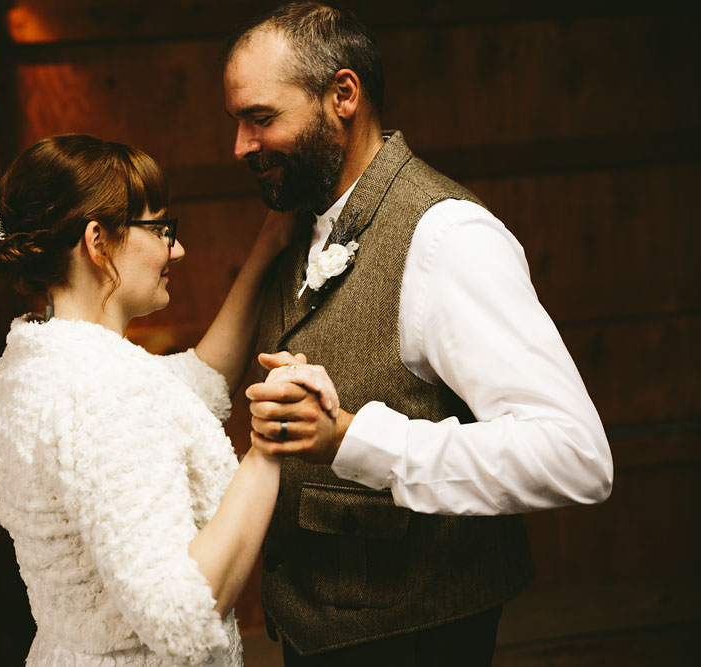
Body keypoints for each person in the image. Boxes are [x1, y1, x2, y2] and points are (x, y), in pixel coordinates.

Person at [222, 3, 614, 665]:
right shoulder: (300, 217)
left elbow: (574, 454)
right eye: (236, 121)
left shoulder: (445, 237)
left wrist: (354, 439)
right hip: (314, 633)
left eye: (261, 118)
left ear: (343, 95)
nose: (239, 146)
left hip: (417, 641)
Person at [0, 133, 330, 666]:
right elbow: (185, 610)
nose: (176, 248)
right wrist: (271, 443)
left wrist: (270, 244)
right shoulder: (100, 390)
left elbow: (201, 383)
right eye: (161, 228)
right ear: (99, 242)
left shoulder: (35, 361)